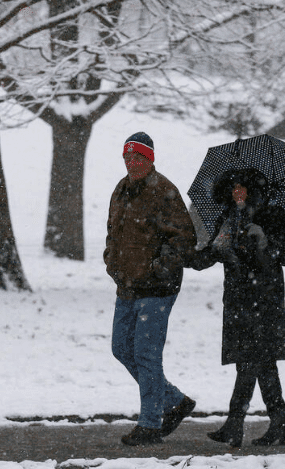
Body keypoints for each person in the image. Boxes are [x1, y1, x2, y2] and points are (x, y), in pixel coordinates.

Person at [186, 168, 285, 447]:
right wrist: (185, 257)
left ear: (253, 190)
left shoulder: (272, 215)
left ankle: (235, 424)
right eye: (233, 188)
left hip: (265, 299)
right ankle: (278, 425)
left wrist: (265, 240)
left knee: (251, 361)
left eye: (242, 187)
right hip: (237, 299)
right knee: (259, 363)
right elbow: (210, 255)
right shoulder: (227, 219)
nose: (238, 193)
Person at [104, 131, 197, 446]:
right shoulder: (121, 189)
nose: (132, 162)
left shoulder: (165, 191)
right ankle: (175, 400)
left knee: (146, 353)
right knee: (121, 348)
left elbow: (184, 238)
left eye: (138, 157)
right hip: (127, 285)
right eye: (128, 157)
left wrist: (159, 268)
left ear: (150, 159)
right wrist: (112, 264)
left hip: (158, 288)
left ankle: (150, 424)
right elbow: (112, 231)